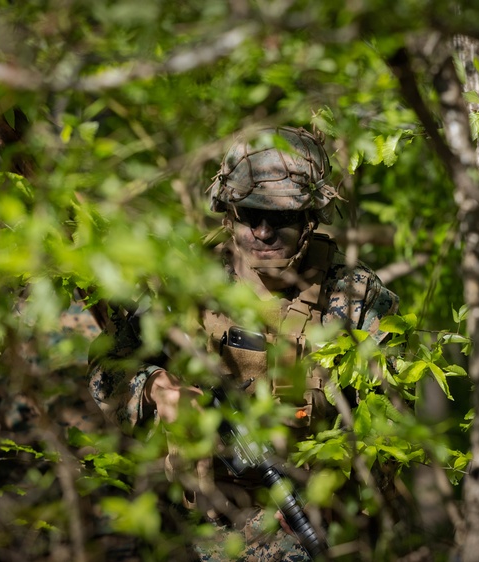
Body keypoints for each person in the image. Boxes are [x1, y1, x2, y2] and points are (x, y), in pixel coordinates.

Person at [88, 126, 399, 561]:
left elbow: (389, 429)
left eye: (283, 217)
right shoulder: (184, 285)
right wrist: (161, 390)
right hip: (193, 527)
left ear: (312, 218)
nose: (264, 232)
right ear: (228, 212)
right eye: (251, 215)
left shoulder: (352, 295)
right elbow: (107, 369)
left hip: (306, 524)